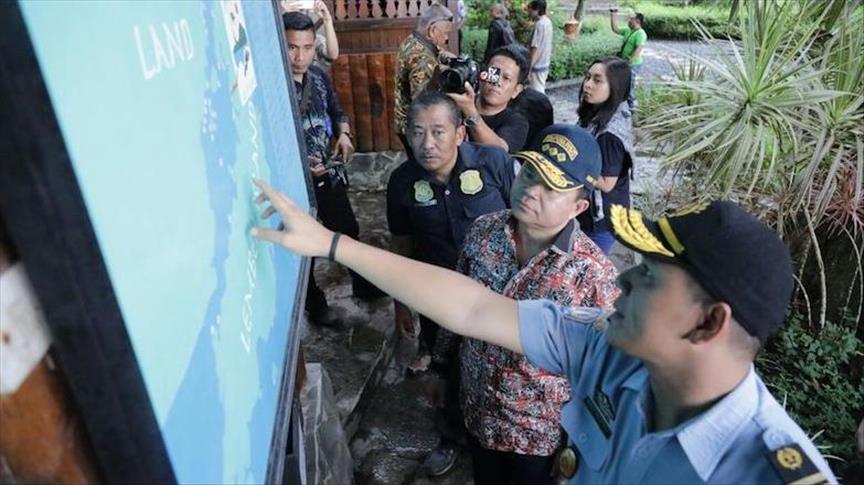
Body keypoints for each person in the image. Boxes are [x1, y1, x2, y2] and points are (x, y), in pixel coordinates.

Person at [251, 186, 838, 484]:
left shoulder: (764, 471)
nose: (623, 279)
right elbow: (475, 308)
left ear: (709, 323)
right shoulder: (607, 351)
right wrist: (330, 244)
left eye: (650, 277)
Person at [458, 125, 619, 484]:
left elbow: (603, 377)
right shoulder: (482, 232)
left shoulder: (594, 274)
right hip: (476, 413)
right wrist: (440, 368)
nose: (532, 190)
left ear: (578, 206)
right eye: (530, 173)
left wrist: (578, 450)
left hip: (538, 439)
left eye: (551, 187)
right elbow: (457, 305)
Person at [386, 92, 515, 477]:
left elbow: (526, 220)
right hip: (440, 299)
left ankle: (505, 439)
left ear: (459, 133)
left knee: (506, 368)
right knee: (447, 369)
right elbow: (401, 245)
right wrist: (401, 305)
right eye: (417, 132)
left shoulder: (493, 163)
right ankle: (451, 435)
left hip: (501, 295)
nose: (427, 143)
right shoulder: (402, 182)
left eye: (438, 132)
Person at [283, 12, 382, 326]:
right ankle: (316, 307)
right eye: (292, 47)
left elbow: (337, 109)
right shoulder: (273, 86)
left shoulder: (318, 75)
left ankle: (364, 285)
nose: (300, 56)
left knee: (347, 230)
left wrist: (344, 133)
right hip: (295, 183)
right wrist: (299, 167)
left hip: (329, 173)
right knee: (304, 248)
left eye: (307, 47)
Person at [576, 57, 634, 254]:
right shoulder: (596, 115)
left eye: (597, 80)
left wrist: (571, 166)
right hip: (589, 211)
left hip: (603, 221)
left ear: (615, 87)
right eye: (587, 77)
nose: (587, 84)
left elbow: (607, 183)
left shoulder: (609, 135)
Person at [394, 2, 455, 153]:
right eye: (445, 33)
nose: (446, 38)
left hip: (402, 120)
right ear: (432, 31)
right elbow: (423, 103)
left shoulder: (413, 40)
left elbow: (432, 48)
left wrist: (446, 57)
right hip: (415, 128)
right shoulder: (422, 59)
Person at [447, 45, 530, 153]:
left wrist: (470, 111)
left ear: (516, 90)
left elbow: (498, 151)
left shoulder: (517, 122)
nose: (497, 82)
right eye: (493, 72)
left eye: (506, 78)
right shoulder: (457, 101)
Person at [610, 9, 647, 109]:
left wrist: (629, 62)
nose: (629, 20)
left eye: (631, 19)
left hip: (633, 65)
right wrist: (613, 15)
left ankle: (633, 106)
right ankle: (620, 104)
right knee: (621, 82)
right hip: (624, 62)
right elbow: (615, 29)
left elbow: (638, 49)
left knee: (630, 85)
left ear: (637, 21)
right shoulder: (628, 30)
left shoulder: (641, 33)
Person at [526, 0, 553, 94]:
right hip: (545, 63)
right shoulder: (548, 22)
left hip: (537, 65)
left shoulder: (539, 25)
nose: (528, 12)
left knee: (537, 93)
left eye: (530, 9)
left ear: (537, 10)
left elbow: (535, 48)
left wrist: (529, 67)